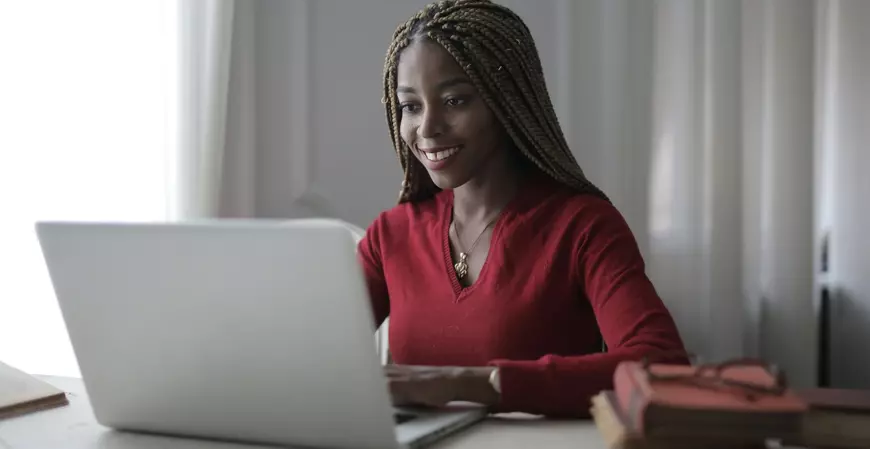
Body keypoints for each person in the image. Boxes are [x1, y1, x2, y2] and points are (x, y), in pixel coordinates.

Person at [357, 0, 688, 418]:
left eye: (455, 101)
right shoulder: (390, 236)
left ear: (506, 100)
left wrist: (468, 384)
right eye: (411, 106)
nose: (426, 128)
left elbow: (663, 365)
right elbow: (308, 359)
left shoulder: (582, 227)